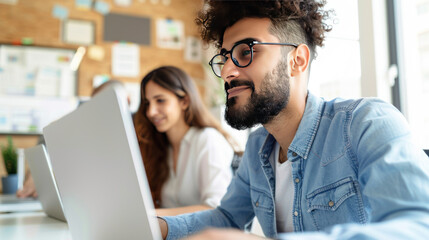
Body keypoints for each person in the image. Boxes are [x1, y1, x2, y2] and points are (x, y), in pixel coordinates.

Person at [157, 1, 429, 239]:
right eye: (225, 57)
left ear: (297, 60)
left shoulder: (366, 123)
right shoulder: (257, 147)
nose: (227, 70)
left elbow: (418, 226)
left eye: (245, 52)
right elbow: (227, 218)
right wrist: (159, 227)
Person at [134, 66, 237, 216]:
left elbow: (216, 208)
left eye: (160, 100)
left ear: (184, 101)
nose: (151, 112)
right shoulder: (161, 147)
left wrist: (150, 215)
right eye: (147, 103)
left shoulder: (207, 139)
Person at [16, 79, 127, 198]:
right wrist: (35, 175)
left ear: (127, 101)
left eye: (104, 103)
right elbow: (50, 135)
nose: (98, 110)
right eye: (94, 104)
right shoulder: (90, 128)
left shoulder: (136, 130)